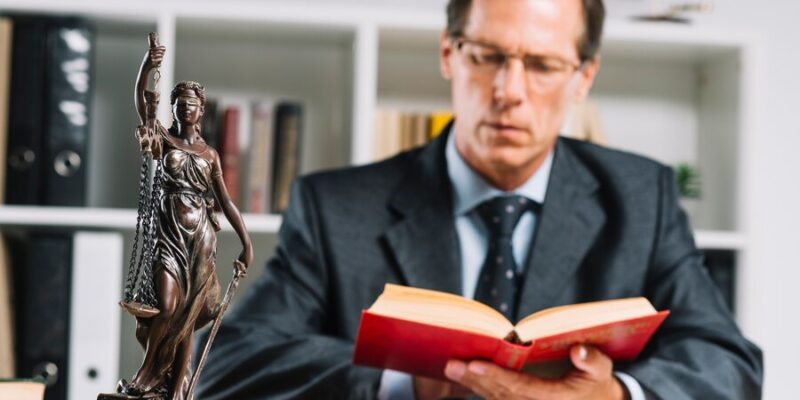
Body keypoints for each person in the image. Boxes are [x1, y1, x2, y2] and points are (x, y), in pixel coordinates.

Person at [196, 0, 762, 399]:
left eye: (541, 65)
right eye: (486, 55)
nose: (508, 91)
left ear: (583, 76)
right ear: (448, 53)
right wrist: (404, 383)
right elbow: (224, 368)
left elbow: (729, 364)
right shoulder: (334, 207)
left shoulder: (644, 199)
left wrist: (615, 396)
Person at [121, 43, 254, 399]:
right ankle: (148, 373)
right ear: (174, 110)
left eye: (191, 106)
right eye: (179, 106)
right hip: (169, 235)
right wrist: (148, 66)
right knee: (167, 307)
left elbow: (226, 200)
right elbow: (140, 102)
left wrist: (246, 242)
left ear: (201, 111)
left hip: (201, 240)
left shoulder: (209, 154)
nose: (186, 110)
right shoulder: (165, 139)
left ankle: (178, 386)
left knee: (190, 316)